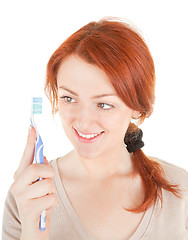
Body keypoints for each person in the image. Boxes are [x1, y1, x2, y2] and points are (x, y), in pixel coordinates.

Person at [2, 17, 188, 240]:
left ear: (137, 109)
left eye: (104, 104)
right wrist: (33, 232)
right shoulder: (28, 195)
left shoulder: (180, 191)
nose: (83, 122)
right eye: (69, 98)